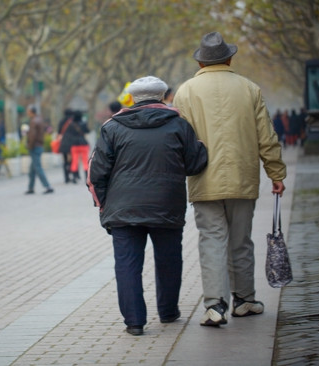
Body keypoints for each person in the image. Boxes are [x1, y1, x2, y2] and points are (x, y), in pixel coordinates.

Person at [173, 31, 286, 327]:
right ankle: (245, 300)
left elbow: (179, 140)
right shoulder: (249, 89)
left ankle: (214, 305)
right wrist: (276, 173)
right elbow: (266, 136)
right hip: (242, 177)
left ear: (200, 63)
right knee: (241, 242)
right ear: (230, 58)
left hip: (203, 179)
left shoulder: (185, 92)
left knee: (211, 240)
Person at [88, 76, 208, 336]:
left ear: (132, 97)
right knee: (169, 260)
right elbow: (195, 164)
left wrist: (104, 206)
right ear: (163, 95)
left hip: (122, 209)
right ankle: (167, 312)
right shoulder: (179, 125)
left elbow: (96, 172)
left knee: (127, 264)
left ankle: (134, 322)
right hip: (167, 205)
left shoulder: (112, 127)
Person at [25, 106, 54, 194]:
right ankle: (31, 187)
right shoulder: (40, 120)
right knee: (32, 169)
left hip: (35, 146)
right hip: (39, 145)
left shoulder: (34, 121)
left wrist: (29, 145)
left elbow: (32, 136)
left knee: (37, 167)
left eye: (28, 111)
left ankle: (47, 186)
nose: (27, 113)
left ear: (31, 112)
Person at [68, 110, 90, 183]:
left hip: (74, 145)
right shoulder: (83, 123)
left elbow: (69, 134)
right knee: (85, 161)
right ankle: (86, 177)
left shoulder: (71, 124)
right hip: (83, 144)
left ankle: (74, 178)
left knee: (74, 161)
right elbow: (87, 131)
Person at [57, 109, 74, 183]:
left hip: (63, 142)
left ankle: (66, 177)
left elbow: (59, 131)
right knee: (71, 160)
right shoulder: (72, 122)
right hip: (72, 143)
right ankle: (71, 173)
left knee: (65, 160)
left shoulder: (61, 121)